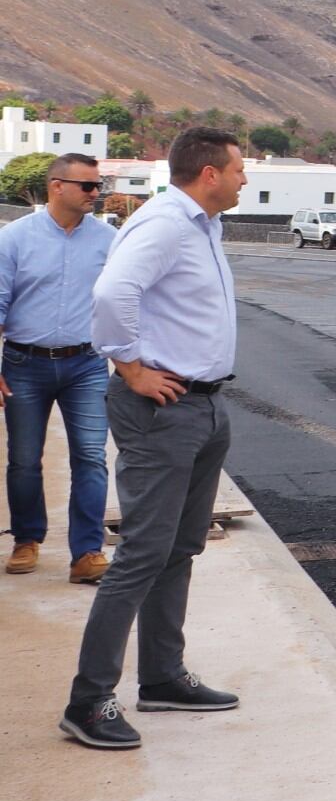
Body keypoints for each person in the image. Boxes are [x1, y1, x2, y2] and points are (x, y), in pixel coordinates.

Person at [61, 128, 247, 751]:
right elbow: (113, 294)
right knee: (142, 552)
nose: (246, 180)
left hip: (204, 407)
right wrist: (131, 365)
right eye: (239, 170)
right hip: (162, 411)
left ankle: (163, 677)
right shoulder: (166, 223)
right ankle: (88, 702)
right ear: (210, 174)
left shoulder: (203, 226)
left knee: (178, 548)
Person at [3, 153, 120, 583]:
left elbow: (123, 300)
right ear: (57, 186)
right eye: (88, 187)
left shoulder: (109, 240)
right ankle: (26, 539)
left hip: (86, 364)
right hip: (23, 364)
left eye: (98, 187)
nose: (96, 194)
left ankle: (86, 553)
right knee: (23, 460)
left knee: (91, 458)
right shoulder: (14, 238)